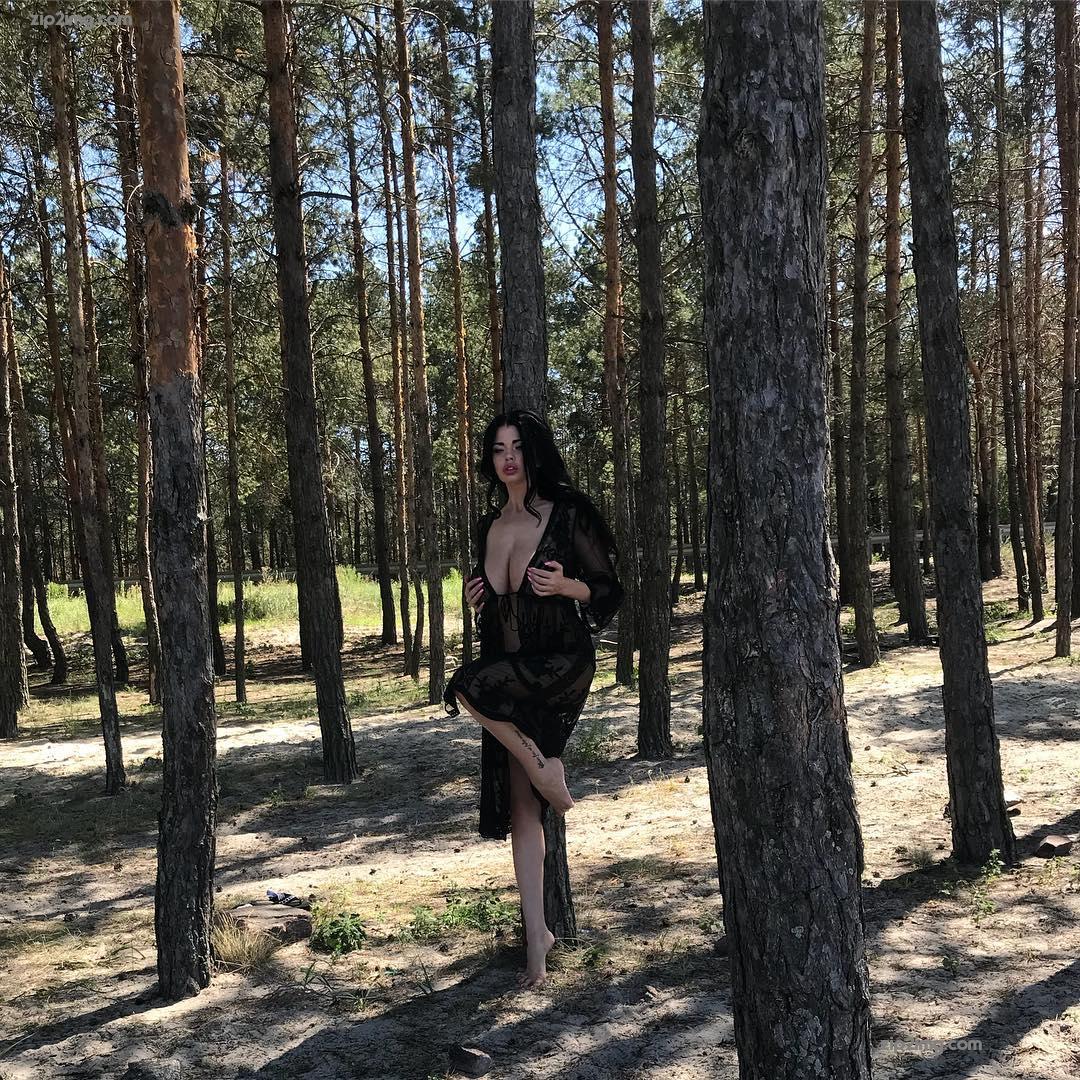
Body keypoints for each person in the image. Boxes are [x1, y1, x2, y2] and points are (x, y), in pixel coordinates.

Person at [443, 409, 624, 990]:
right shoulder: (490, 525)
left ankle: (545, 768)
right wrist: (478, 597)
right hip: (510, 667)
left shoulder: (566, 512)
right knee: (524, 809)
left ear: (534, 452)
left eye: (517, 447)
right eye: (499, 449)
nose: (509, 458)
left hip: (559, 661)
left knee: (464, 685)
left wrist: (567, 586)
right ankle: (538, 943)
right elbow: (499, 607)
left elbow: (610, 591)